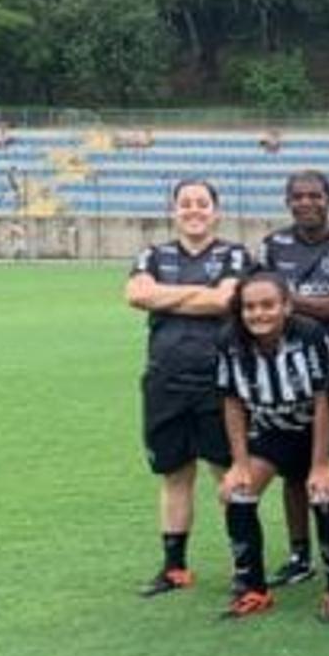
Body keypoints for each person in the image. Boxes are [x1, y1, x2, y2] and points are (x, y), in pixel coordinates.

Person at [124, 178, 251, 596]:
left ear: (216, 210)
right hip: (165, 380)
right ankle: (175, 568)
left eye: (202, 203)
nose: (193, 210)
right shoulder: (153, 253)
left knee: (226, 474)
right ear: (174, 211)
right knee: (174, 473)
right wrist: (201, 293)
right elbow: (136, 295)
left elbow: (224, 301)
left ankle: (244, 566)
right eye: (185, 203)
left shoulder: (235, 254)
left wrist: (166, 295)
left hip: (218, 381)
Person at [214, 272, 329, 620]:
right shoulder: (230, 340)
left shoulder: (309, 335)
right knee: (238, 492)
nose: (258, 314)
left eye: (267, 305)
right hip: (274, 431)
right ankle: (254, 588)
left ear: (286, 306)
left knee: (322, 492)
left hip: (321, 430)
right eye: (249, 307)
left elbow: (324, 399)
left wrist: (320, 464)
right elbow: (231, 402)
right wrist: (240, 463)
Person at [258, 170, 329, 591]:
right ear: (288, 201)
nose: (307, 202)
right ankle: (300, 554)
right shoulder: (274, 245)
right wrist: (297, 305)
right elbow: (260, 303)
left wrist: (287, 301)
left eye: (315, 195)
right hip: (288, 371)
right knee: (294, 468)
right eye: (298, 196)